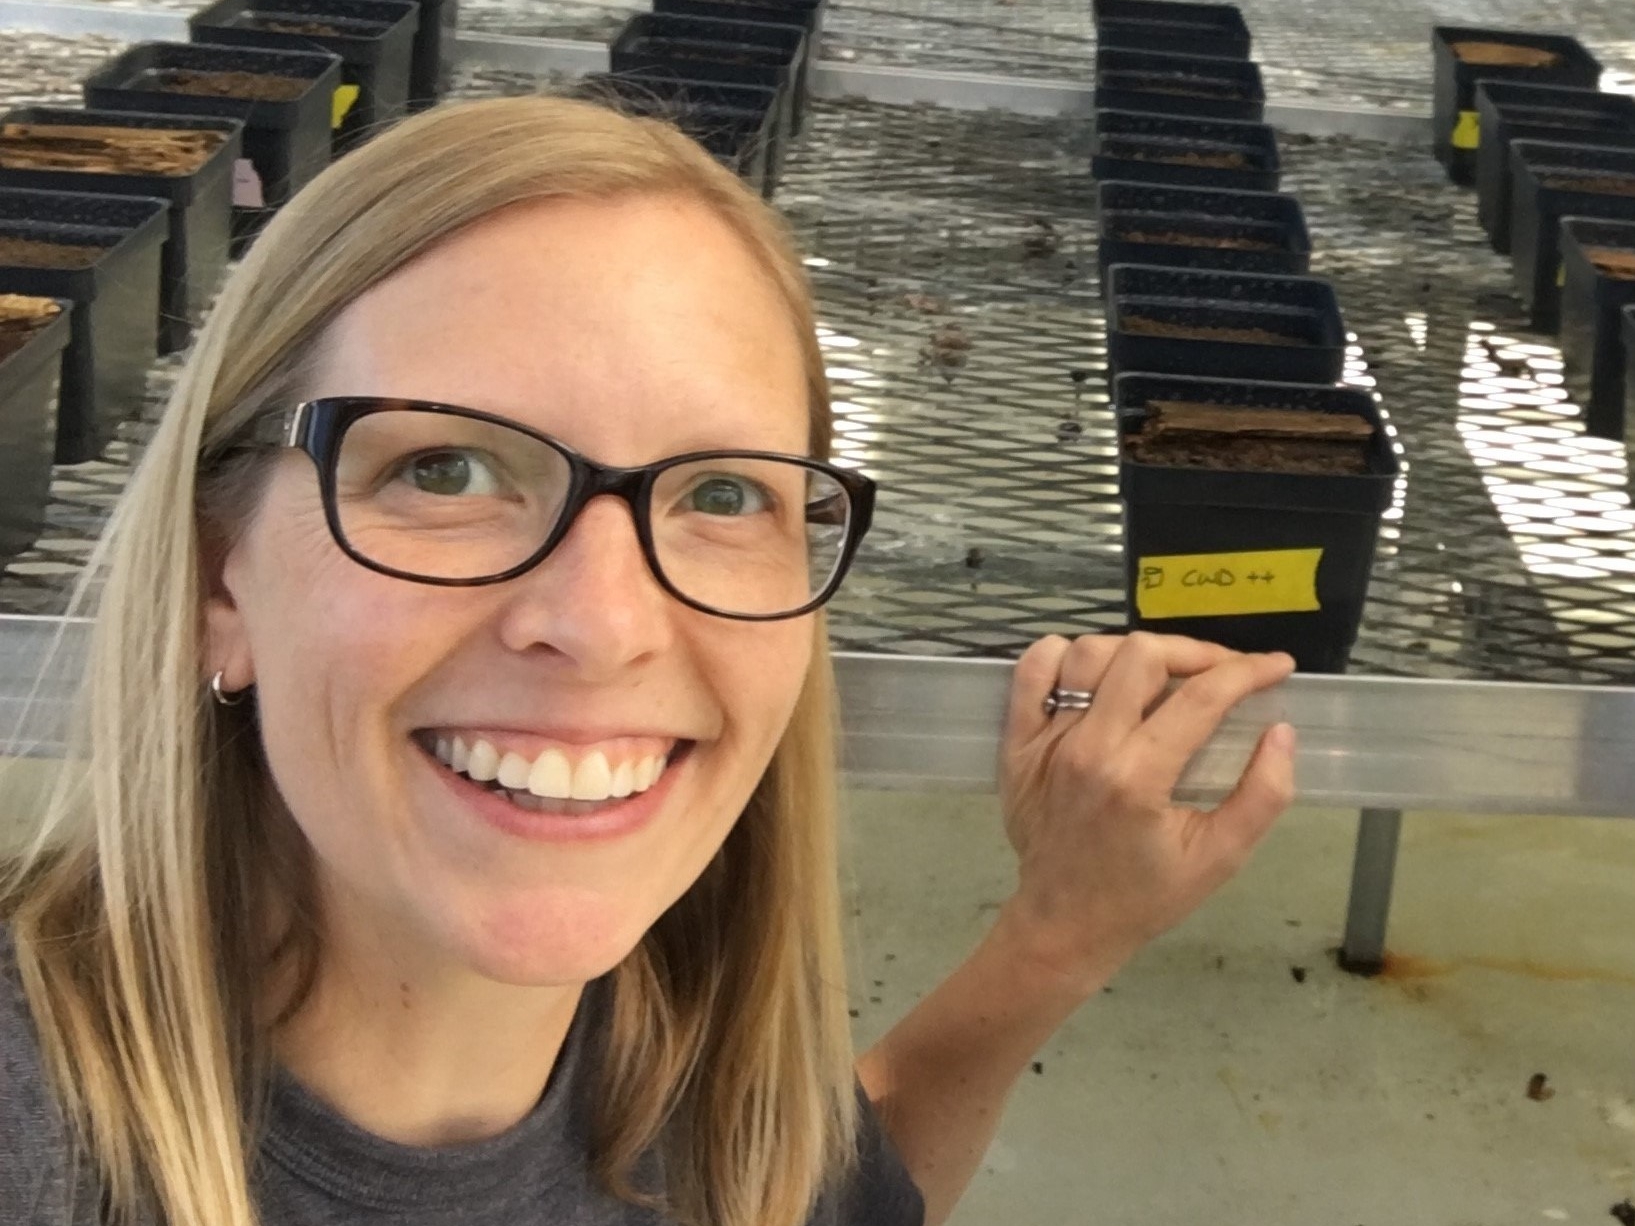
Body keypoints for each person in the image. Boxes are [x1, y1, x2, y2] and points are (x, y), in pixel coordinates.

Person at [0, 94, 1297, 1226]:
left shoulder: (691, 1062)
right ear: (221, 577)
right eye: (443, 469)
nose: (604, 621)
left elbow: (818, 1192)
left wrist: (1057, 937)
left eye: (723, 494)